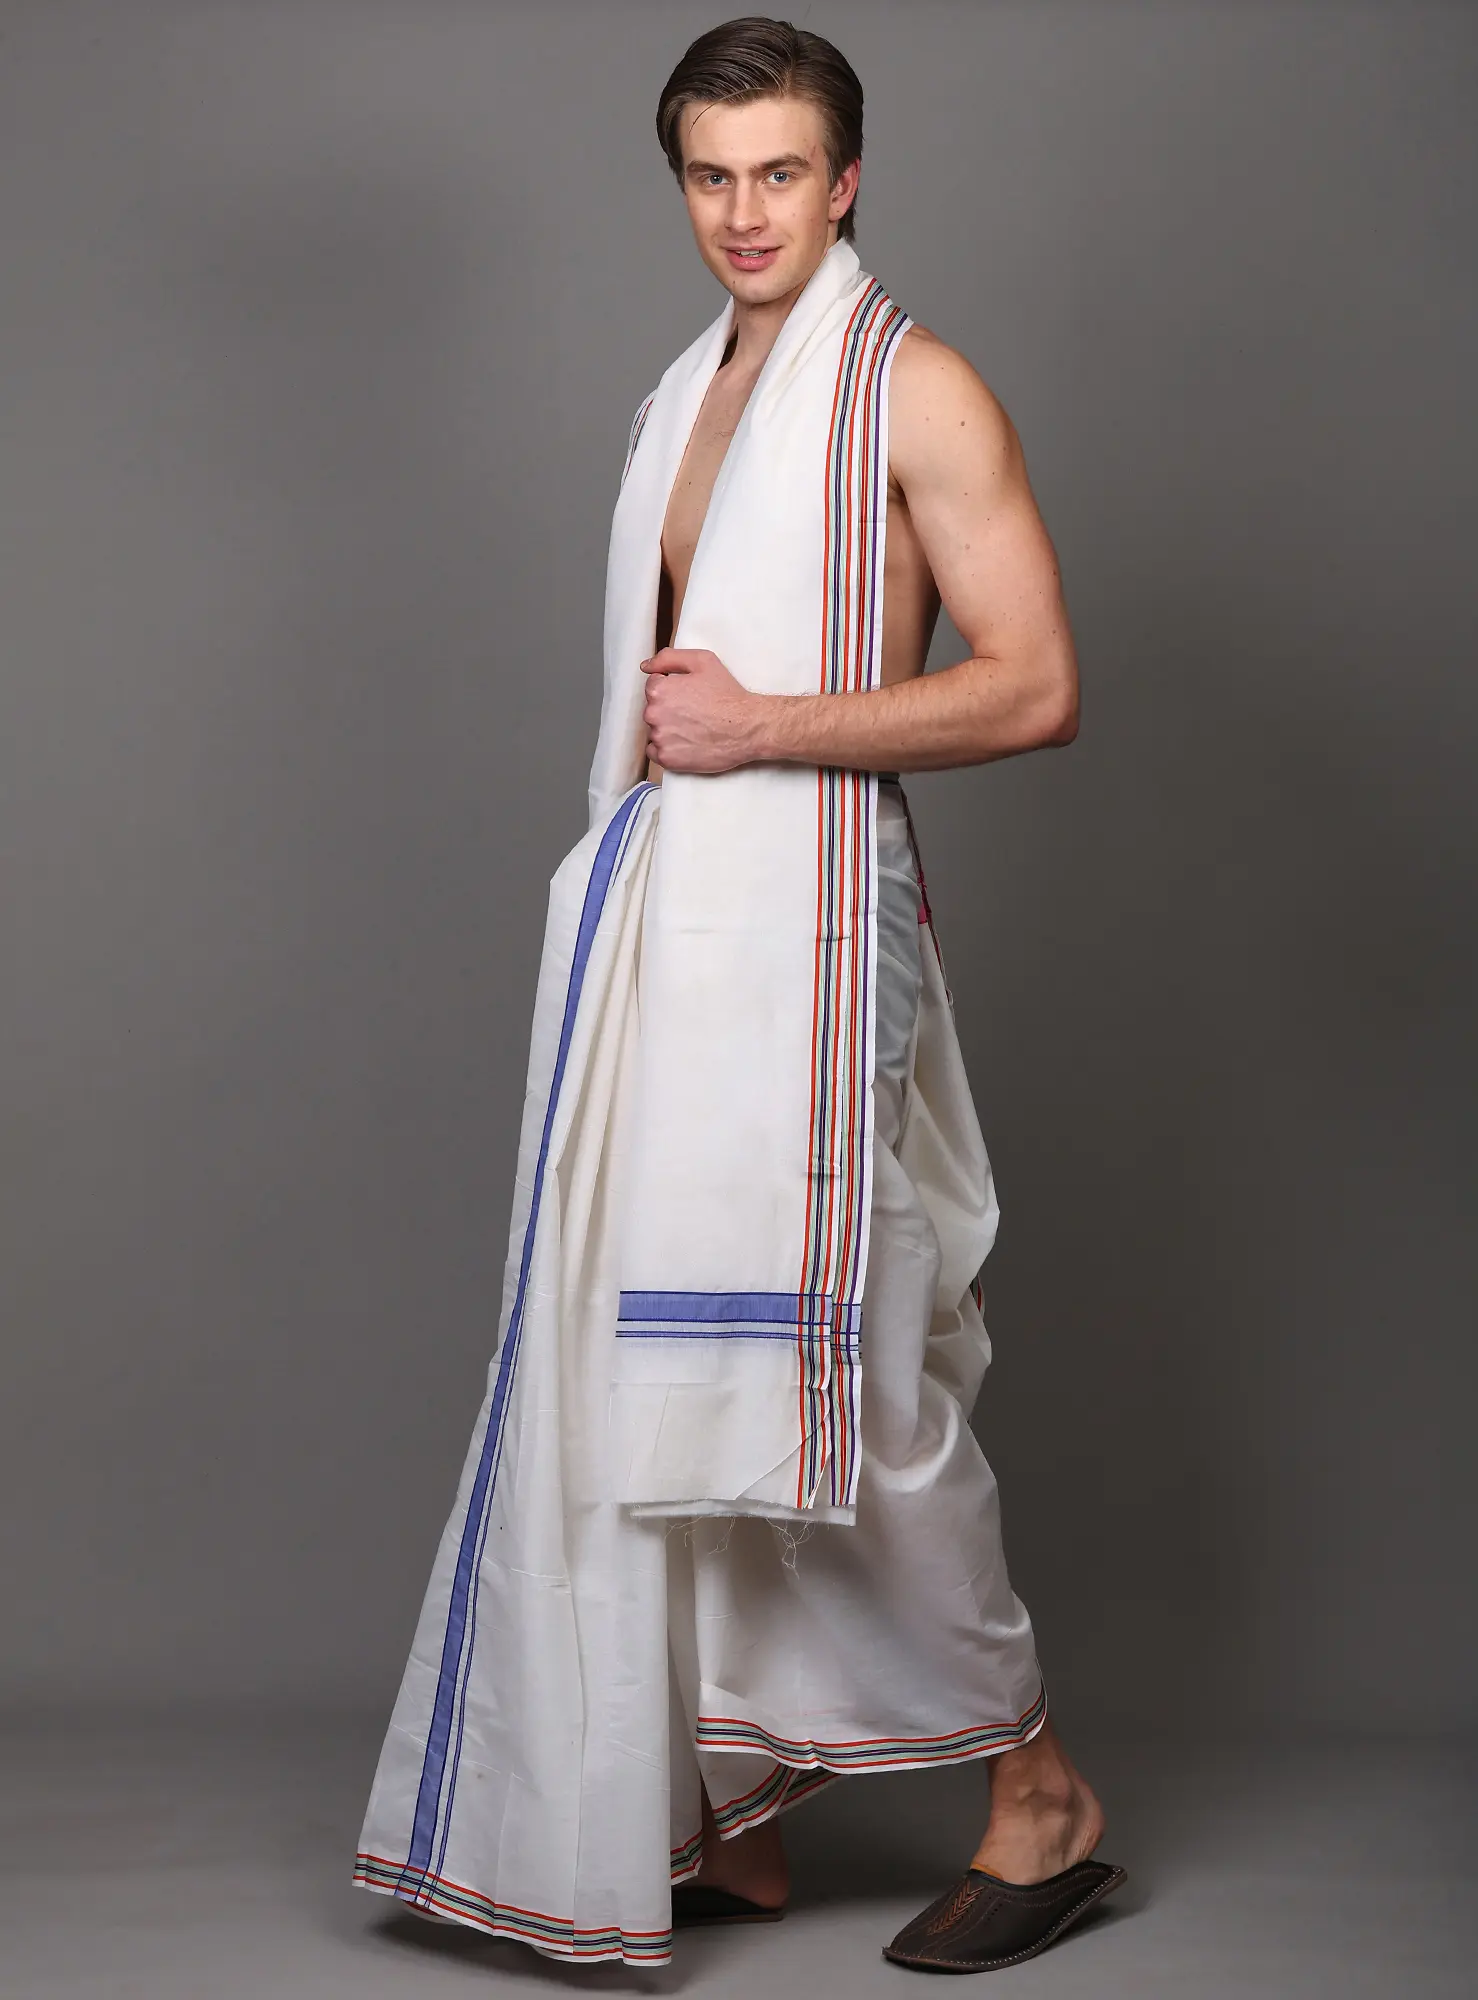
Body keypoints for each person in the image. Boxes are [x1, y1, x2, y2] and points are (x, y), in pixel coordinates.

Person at [355, 16, 1122, 1976]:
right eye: (712, 176)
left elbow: (1037, 682)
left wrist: (769, 721)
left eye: (781, 173)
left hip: (812, 936)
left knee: (839, 1381)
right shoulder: (681, 394)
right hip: (660, 923)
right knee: (652, 1367)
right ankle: (735, 1814)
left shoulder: (917, 389)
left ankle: (1040, 1794)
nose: (745, 212)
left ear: (846, 181)